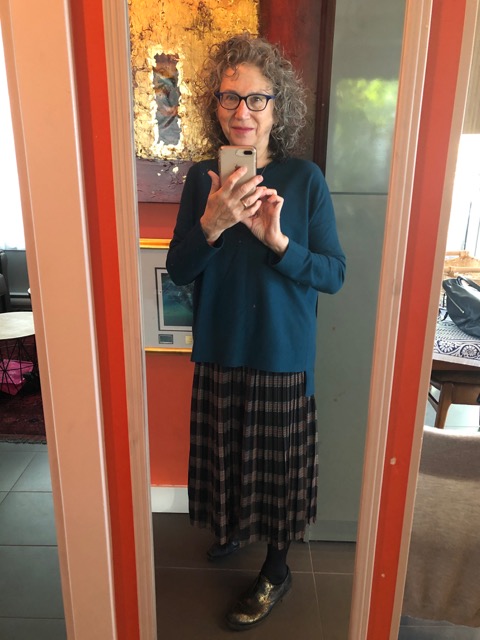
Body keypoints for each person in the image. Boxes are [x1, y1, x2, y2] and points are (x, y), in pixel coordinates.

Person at [166, 33, 346, 631]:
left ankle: (276, 567)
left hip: (282, 350)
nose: (242, 111)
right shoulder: (202, 181)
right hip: (220, 344)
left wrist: (279, 242)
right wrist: (211, 226)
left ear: (277, 106)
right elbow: (181, 269)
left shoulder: (304, 179)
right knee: (226, 455)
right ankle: (233, 530)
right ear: (215, 106)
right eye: (229, 97)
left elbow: (334, 274)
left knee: (278, 468)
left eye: (256, 99)